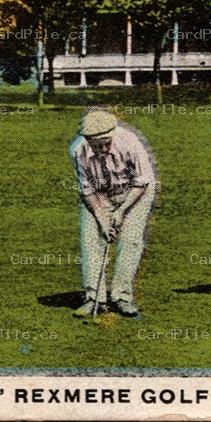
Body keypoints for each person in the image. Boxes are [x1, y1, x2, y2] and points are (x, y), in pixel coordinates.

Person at [70, 109, 156, 318]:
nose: (103, 149)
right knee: (92, 239)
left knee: (130, 240)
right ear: (87, 140)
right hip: (100, 194)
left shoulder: (130, 142)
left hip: (136, 191)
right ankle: (94, 299)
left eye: (107, 143)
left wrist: (121, 212)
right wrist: (102, 218)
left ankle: (122, 297)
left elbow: (142, 181)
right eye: (97, 145)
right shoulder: (77, 150)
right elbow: (87, 189)